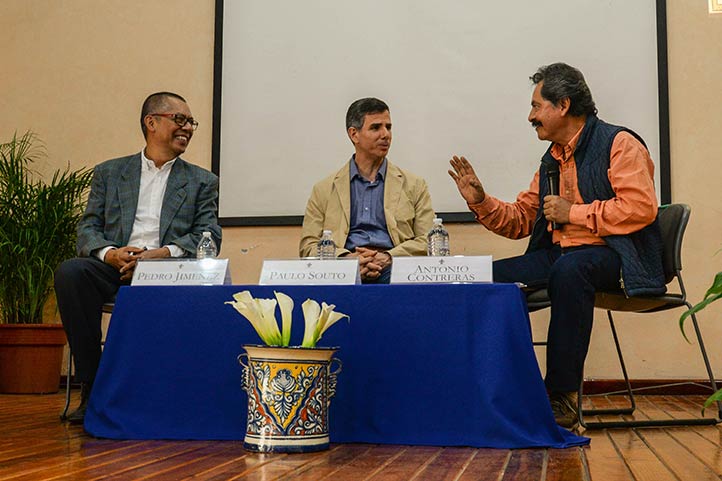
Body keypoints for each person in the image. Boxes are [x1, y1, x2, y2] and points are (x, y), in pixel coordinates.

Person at [448, 63, 665, 429]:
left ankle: (560, 397)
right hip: (562, 255)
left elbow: (640, 207)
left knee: (570, 269)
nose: (530, 116)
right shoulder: (552, 158)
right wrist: (481, 201)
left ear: (563, 105)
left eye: (536, 106)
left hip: (618, 256)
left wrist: (573, 213)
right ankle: (497, 391)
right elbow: (521, 219)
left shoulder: (620, 144)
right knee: (485, 277)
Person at [54, 92, 222, 424]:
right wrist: (110, 254)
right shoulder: (110, 173)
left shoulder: (202, 181)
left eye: (191, 122)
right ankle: (94, 387)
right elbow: (88, 227)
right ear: (151, 122)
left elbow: (209, 235)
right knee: (71, 273)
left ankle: (177, 394)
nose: (188, 128)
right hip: (116, 266)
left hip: (169, 271)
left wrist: (162, 254)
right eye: (180, 119)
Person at [299, 97, 435, 283]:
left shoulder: (414, 185)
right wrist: (346, 260)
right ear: (354, 134)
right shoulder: (323, 189)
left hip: (395, 269)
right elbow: (308, 246)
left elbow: (429, 240)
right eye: (376, 128)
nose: (385, 134)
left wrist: (388, 257)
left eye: (388, 127)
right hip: (343, 273)